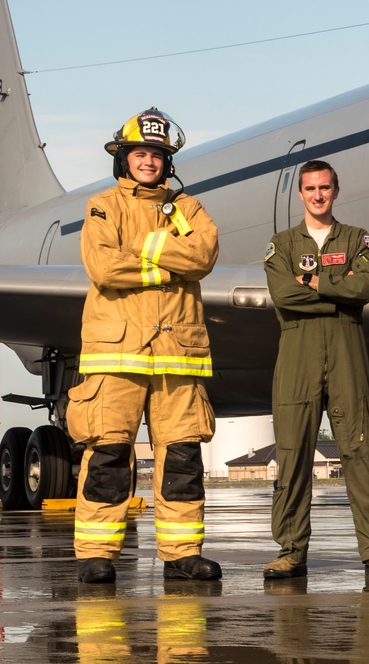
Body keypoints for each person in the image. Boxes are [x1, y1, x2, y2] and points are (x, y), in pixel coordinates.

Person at [66, 108, 222, 584]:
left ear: (166, 161)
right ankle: (97, 553)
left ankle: (182, 553)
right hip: (118, 353)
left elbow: (205, 253)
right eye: (140, 153)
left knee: (182, 458)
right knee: (109, 454)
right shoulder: (102, 206)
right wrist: (168, 261)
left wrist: (144, 247)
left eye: (156, 154)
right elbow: (104, 268)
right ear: (124, 159)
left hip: (178, 354)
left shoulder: (188, 208)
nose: (148, 161)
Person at [262, 159, 369, 579]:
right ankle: (290, 549)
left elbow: (365, 287)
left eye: (324, 188)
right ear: (300, 194)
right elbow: (283, 295)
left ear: (335, 191)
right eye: (310, 189)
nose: (317, 195)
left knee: (360, 450)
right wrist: (337, 290)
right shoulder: (282, 244)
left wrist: (315, 283)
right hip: (297, 354)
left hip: (346, 352)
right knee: (292, 455)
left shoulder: (358, 239)